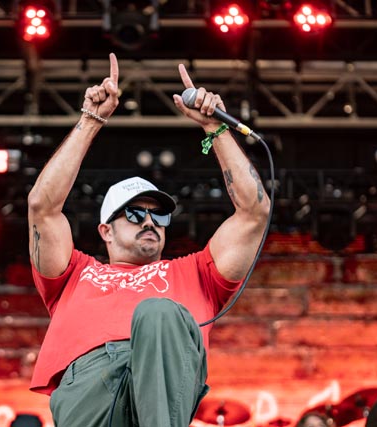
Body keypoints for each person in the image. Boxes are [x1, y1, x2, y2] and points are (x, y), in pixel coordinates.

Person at [27, 53, 270, 427]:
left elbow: (254, 213)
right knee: (155, 311)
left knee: (157, 312)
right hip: (89, 389)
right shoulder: (74, 273)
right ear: (106, 230)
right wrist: (91, 120)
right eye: (134, 213)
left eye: (159, 215)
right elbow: (42, 207)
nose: (149, 222)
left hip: (165, 387)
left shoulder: (197, 273)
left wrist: (215, 129)